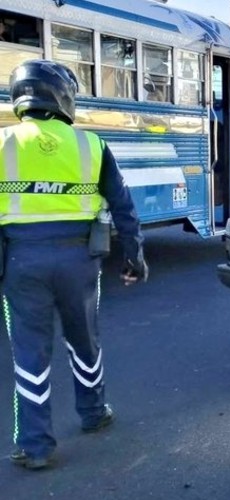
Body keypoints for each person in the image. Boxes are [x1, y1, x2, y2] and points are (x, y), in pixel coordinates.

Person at [1, 60, 148, 470]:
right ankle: (94, 412)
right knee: (84, 339)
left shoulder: (2, 143)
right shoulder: (91, 145)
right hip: (79, 259)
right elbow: (123, 208)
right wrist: (134, 256)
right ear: (62, 96)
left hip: (20, 260)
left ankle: (34, 446)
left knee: (30, 351)